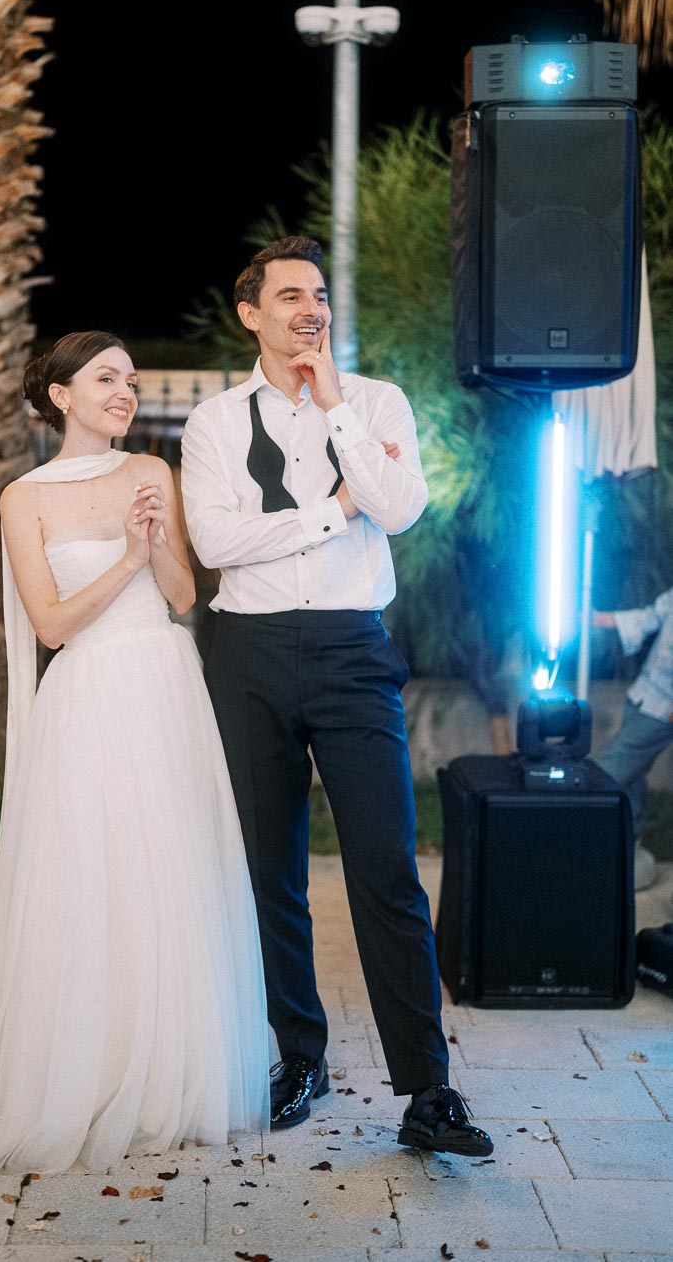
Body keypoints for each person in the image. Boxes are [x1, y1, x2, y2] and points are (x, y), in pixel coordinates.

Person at [0, 330, 269, 1175]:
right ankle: (86, 1067)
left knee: (170, 868)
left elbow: (182, 597)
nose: (124, 391)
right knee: (91, 873)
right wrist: (125, 557)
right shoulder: (23, 497)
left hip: (163, 683)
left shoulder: (152, 471)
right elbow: (52, 625)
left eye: (129, 379)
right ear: (61, 396)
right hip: (89, 692)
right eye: (106, 378)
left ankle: (172, 1071)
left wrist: (155, 541)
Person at [180, 236, 492, 1157]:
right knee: (269, 870)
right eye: (289, 296)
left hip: (355, 649)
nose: (310, 308)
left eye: (317, 294)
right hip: (248, 653)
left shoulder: (376, 402)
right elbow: (216, 545)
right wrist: (335, 509)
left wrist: (338, 413)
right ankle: (299, 1055)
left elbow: (400, 507)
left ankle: (428, 1091)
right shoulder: (212, 423)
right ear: (251, 314)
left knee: (387, 867)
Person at [592, 588, 673, 892]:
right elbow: (652, 615)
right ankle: (629, 842)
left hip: (663, 710)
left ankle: (597, 844)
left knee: (605, 771)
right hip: (643, 693)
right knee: (632, 776)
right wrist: (603, 619)